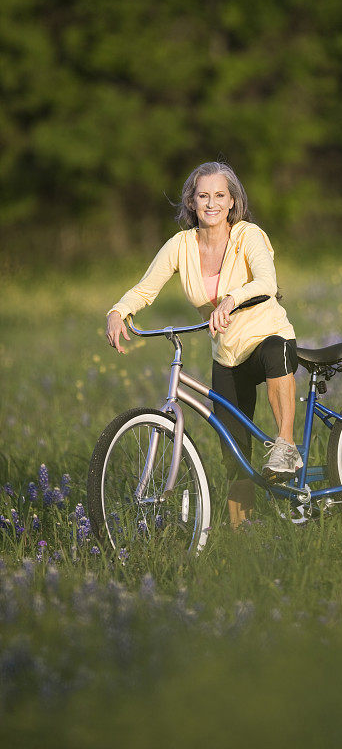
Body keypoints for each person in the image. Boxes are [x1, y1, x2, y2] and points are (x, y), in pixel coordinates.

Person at [106, 161, 302, 529]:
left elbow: (266, 281)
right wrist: (119, 310)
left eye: (219, 196)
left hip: (266, 338)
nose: (211, 203)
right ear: (191, 203)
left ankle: (286, 447)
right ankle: (244, 540)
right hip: (227, 354)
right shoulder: (180, 246)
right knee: (234, 454)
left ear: (232, 202)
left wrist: (230, 299)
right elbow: (146, 289)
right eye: (203, 196)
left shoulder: (248, 235)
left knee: (277, 350)